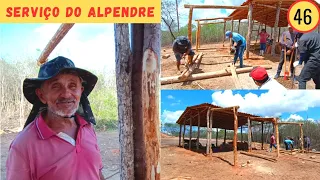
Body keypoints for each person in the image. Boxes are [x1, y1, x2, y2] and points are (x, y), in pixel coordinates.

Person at [6, 56, 105, 180]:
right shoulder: (23, 145)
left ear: (81, 90)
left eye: (72, 85)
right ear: (41, 95)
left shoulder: (88, 128)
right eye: (56, 86)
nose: (66, 94)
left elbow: (97, 173)